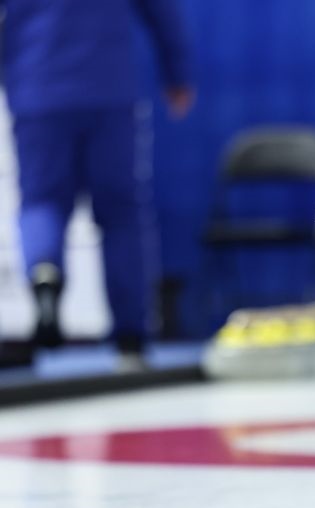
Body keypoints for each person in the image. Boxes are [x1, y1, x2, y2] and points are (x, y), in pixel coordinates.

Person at [0, 0, 194, 363]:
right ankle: (131, 338)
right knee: (121, 214)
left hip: (36, 88)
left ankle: (45, 273)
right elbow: (161, 11)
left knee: (43, 201)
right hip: (109, 89)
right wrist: (178, 73)